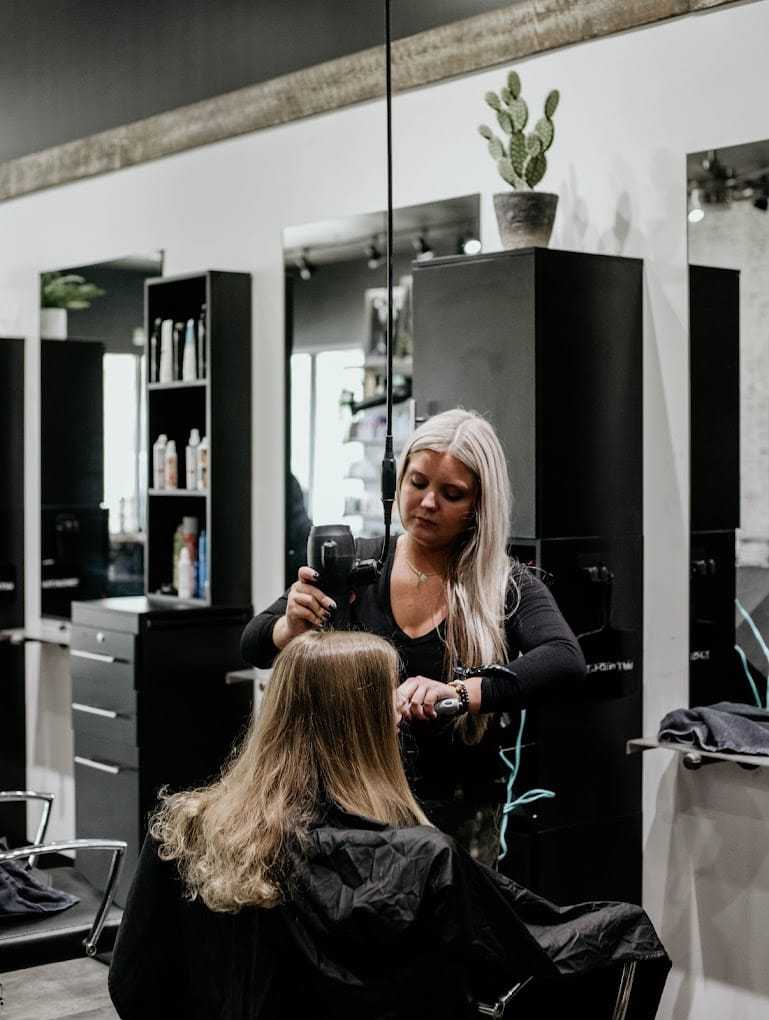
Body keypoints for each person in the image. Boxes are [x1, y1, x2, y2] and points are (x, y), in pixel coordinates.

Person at [109, 630, 669, 1020]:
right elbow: (513, 966)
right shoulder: (423, 861)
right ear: (372, 726)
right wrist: (623, 928)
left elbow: (134, 985)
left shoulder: (185, 828)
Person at [240, 409, 586, 862]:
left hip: (457, 820)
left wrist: (457, 694)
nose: (427, 503)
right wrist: (290, 626)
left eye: (451, 494)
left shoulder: (502, 585)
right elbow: (253, 644)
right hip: (351, 809)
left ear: (479, 506)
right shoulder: (354, 563)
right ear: (398, 480)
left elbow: (565, 660)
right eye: (417, 483)